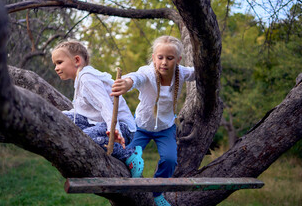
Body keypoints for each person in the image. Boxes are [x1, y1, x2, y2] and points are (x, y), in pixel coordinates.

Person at [111, 35, 195, 206]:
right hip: (140, 126)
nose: (164, 62)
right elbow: (136, 77)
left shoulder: (181, 72)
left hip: (166, 128)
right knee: (127, 156)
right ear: (153, 58)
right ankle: (130, 189)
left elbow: (196, 73)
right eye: (160, 57)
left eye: (170, 58)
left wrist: (209, 66)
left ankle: (157, 193)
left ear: (178, 60)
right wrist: (127, 83)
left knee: (170, 160)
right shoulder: (148, 73)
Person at [51, 40, 144, 178]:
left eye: (59, 62)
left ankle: (130, 154)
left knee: (83, 139)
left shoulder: (87, 78)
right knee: (62, 119)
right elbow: (80, 112)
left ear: (77, 60)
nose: (56, 68)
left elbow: (105, 105)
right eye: (55, 64)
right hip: (101, 123)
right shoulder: (81, 79)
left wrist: (115, 130)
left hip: (122, 128)